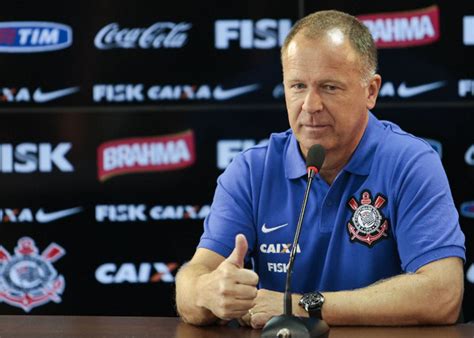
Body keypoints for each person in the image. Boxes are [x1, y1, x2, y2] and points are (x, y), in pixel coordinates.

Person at [175, 10, 465, 328]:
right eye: (298, 86)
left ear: (371, 91)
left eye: (329, 87)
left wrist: (302, 306)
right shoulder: (251, 170)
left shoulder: (410, 163)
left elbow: (443, 294)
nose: (311, 105)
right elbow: (194, 281)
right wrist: (208, 292)